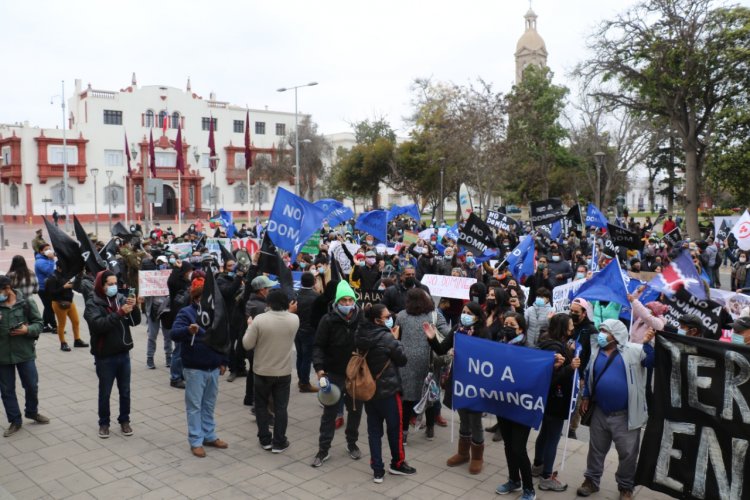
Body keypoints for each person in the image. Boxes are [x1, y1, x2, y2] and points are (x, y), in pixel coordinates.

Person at [576, 319, 655, 500]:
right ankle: (591, 481)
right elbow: (589, 374)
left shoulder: (634, 351)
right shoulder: (596, 351)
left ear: (617, 334)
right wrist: (586, 396)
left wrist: (648, 343)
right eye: (601, 329)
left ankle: (625, 488)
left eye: (606, 331)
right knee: (596, 449)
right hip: (600, 412)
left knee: (628, 454)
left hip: (625, 415)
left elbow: (652, 362)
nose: (601, 334)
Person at [424, 301, 489, 475]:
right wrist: (431, 338)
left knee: (475, 419)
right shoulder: (457, 330)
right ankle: (463, 453)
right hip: (458, 379)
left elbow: (488, 358)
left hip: (475, 382)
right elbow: (442, 348)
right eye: (464, 311)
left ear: (477, 317)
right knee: (463, 417)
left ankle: (477, 457)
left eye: (469, 313)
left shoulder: (483, 334)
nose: (464, 315)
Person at [356, 303, 415, 483]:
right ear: (377, 320)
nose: (391, 318)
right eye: (387, 316)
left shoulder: (360, 334)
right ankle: (397, 463)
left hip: (368, 390)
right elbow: (402, 359)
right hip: (388, 391)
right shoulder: (387, 338)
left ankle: (377, 470)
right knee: (395, 429)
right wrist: (395, 339)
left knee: (374, 430)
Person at [171, 279, 230, 458]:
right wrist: (188, 330)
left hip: (213, 367)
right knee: (194, 406)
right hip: (195, 368)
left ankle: (209, 435)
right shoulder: (186, 313)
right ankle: (196, 440)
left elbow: (224, 339)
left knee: (209, 404)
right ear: (197, 299)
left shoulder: (216, 314)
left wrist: (224, 362)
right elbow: (174, 333)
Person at [311, 281, 364, 468]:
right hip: (333, 374)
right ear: (337, 302)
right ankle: (323, 449)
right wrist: (320, 370)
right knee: (329, 413)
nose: (347, 303)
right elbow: (318, 346)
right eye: (343, 300)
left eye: (350, 300)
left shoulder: (362, 318)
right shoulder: (327, 320)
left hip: (356, 375)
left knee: (355, 411)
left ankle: (352, 443)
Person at [84, 270, 141, 439]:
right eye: (110, 284)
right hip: (105, 356)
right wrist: (119, 313)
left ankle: (124, 420)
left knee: (125, 390)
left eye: (116, 283)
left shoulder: (121, 299)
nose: (114, 287)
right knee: (105, 392)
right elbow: (98, 325)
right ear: (102, 285)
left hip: (123, 353)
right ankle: (104, 423)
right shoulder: (93, 303)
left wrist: (134, 307)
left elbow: (135, 322)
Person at [243, 289, 298, 453]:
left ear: (268, 303)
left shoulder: (259, 320)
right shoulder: (294, 319)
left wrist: (249, 327)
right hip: (283, 371)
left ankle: (265, 439)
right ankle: (279, 441)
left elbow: (247, 344)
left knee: (261, 405)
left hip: (262, 371)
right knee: (281, 407)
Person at [531, 313, 581, 492]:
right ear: (562, 328)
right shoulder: (555, 348)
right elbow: (551, 378)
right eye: (569, 325)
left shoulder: (548, 341)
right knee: (553, 437)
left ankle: (537, 466)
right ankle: (546, 477)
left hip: (548, 400)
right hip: (556, 400)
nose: (572, 328)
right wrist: (570, 367)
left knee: (545, 433)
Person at [396, 288, 450, 443]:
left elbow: (396, 337)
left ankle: (404, 433)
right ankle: (430, 429)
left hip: (406, 363)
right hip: (429, 362)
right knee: (430, 396)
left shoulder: (401, 315)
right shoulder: (434, 315)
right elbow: (446, 332)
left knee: (407, 399)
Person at [494, 312, 537, 499]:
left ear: (521, 328)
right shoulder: (500, 345)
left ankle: (529, 489)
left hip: (522, 406)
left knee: (519, 448)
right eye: (506, 323)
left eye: (512, 324)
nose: (507, 327)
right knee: (508, 445)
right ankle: (514, 480)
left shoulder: (529, 348)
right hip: (503, 403)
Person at [0, 275, 48, 437]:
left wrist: (27, 330)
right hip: (2, 355)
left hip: (25, 353)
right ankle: (15, 420)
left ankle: (32, 412)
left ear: (7, 289)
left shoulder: (26, 302)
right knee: (7, 390)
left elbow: (39, 323)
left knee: (31, 385)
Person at [243, 275, 279, 410]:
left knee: (252, 370)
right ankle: (257, 403)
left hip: (252, 344)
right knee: (259, 375)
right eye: (268, 288)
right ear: (262, 290)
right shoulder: (262, 306)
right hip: (259, 346)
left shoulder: (251, 301)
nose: (270, 290)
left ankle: (249, 397)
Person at [45, 262, 88, 351]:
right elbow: (51, 293)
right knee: (62, 324)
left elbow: (75, 285)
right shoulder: (52, 278)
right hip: (58, 303)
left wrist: (78, 276)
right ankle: (63, 343)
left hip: (69, 302)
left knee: (76, 321)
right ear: (59, 268)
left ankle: (77, 340)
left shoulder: (66, 275)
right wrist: (64, 287)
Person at [294, 272, 320, 393]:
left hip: (297, 329)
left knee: (300, 355)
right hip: (309, 331)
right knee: (307, 358)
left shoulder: (296, 294)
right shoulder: (316, 296)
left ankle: (301, 380)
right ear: (314, 282)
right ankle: (304, 383)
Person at [34, 244, 58, 333]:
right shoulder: (40, 261)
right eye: (46, 249)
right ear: (41, 251)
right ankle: (54, 326)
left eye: (49, 248)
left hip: (49, 287)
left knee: (48, 307)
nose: (49, 250)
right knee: (50, 307)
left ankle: (44, 325)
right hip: (43, 288)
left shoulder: (47, 259)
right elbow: (49, 272)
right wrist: (52, 260)